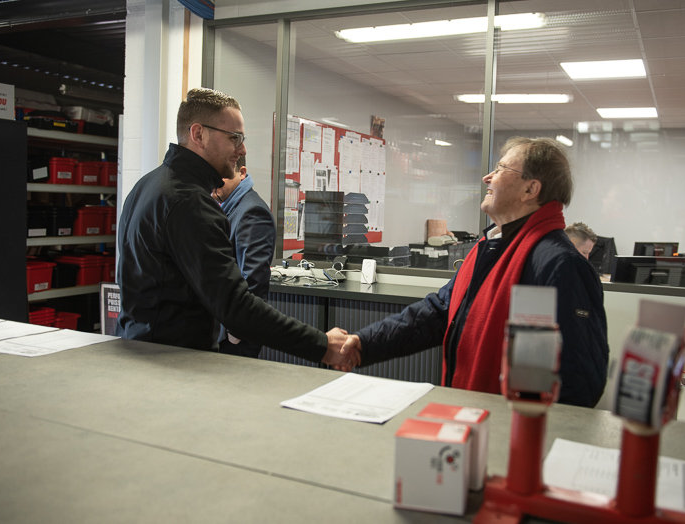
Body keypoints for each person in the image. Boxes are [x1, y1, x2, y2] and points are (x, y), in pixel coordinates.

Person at [339, 137, 608, 407]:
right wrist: (365, 342)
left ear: (530, 189)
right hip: (471, 417)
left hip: (509, 432)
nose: (487, 177)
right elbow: (439, 312)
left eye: (501, 169)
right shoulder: (492, 246)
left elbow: (579, 381)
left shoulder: (560, 265)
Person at [116, 87, 356, 368]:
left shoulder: (149, 185)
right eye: (235, 138)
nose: (242, 150)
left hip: (138, 349)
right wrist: (321, 345)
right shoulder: (189, 203)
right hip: (173, 365)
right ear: (198, 134)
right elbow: (236, 306)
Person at [212, 155, 275, 358]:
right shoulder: (228, 207)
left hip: (235, 336)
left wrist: (235, 334)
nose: (214, 185)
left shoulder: (252, 212)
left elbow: (253, 281)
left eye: (221, 178)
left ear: (242, 172)